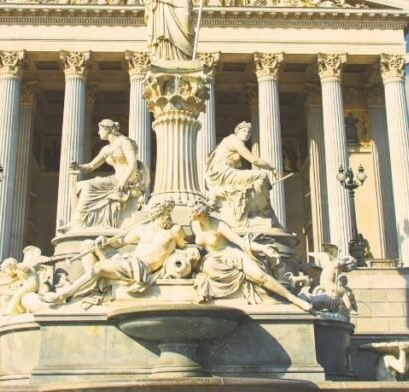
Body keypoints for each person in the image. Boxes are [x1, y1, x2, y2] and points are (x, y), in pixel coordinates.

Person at [46, 200, 185, 303]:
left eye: (170, 213)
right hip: (127, 260)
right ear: (157, 213)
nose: (169, 217)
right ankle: (94, 287)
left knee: (99, 267)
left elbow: (183, 247)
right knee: (88, 244)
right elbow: (120, 242)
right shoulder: (142, 228)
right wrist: (105, 240)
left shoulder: (174, 231)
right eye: (167, 212)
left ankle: (63, 295)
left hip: (139, 268)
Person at [190, 201, 311, 311]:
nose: (189, 215)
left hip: (231, 254)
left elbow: (240, 241)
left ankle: (294, 300)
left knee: (260, 276)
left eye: (191, 213)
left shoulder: (219, 226)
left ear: (200, 214)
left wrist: (263, 248)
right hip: (212, 258)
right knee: (210, 266)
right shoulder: (194, 224)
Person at [67, 119, 150, 230]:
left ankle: (78, 223)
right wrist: (77, 167)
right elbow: (91, 166)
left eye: (100, 129)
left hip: (129, 180)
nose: (98, 132)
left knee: (88, 186)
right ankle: (80, 221)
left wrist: (123, 181)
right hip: (116, 179)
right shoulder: (106, 149)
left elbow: (133, 163)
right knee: (80, 186)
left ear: (108, 129)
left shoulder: (124, 142)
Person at [204, 121, 278, 224]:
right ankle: (262, 210)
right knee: (262, 175)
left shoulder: (228, 140)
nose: (246, 134)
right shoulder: (234, 140)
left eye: (248, 132)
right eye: (244, 131)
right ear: (237, 131)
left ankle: (257, 208)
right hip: (224, 174)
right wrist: (272, 168)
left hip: (224, 174)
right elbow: (254, 160)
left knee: (256, 181)